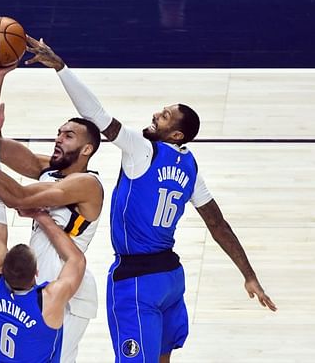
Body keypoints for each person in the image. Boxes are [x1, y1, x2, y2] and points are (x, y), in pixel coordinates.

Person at [25, 35, 277, 363]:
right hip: (170, 278)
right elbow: (217, 224)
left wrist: (61, 68)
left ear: (176, 135)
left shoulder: (144, 151)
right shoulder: (191, 167)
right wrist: (248, 274)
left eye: (165, 116)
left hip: (137, 281)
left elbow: (97, 115)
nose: (156, 115)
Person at [0, 71, 104, 363]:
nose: (58, 139)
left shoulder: (87, 184)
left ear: (87, 149)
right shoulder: (48, 169)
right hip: (35, 285)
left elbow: (15, 196)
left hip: (66, 286)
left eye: (68, 136)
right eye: (58, 132)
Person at [0, 133, 86, 362]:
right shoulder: (48, 299)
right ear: (37, 273)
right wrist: (43, 218)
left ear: (2, 269)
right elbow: (76, 260)